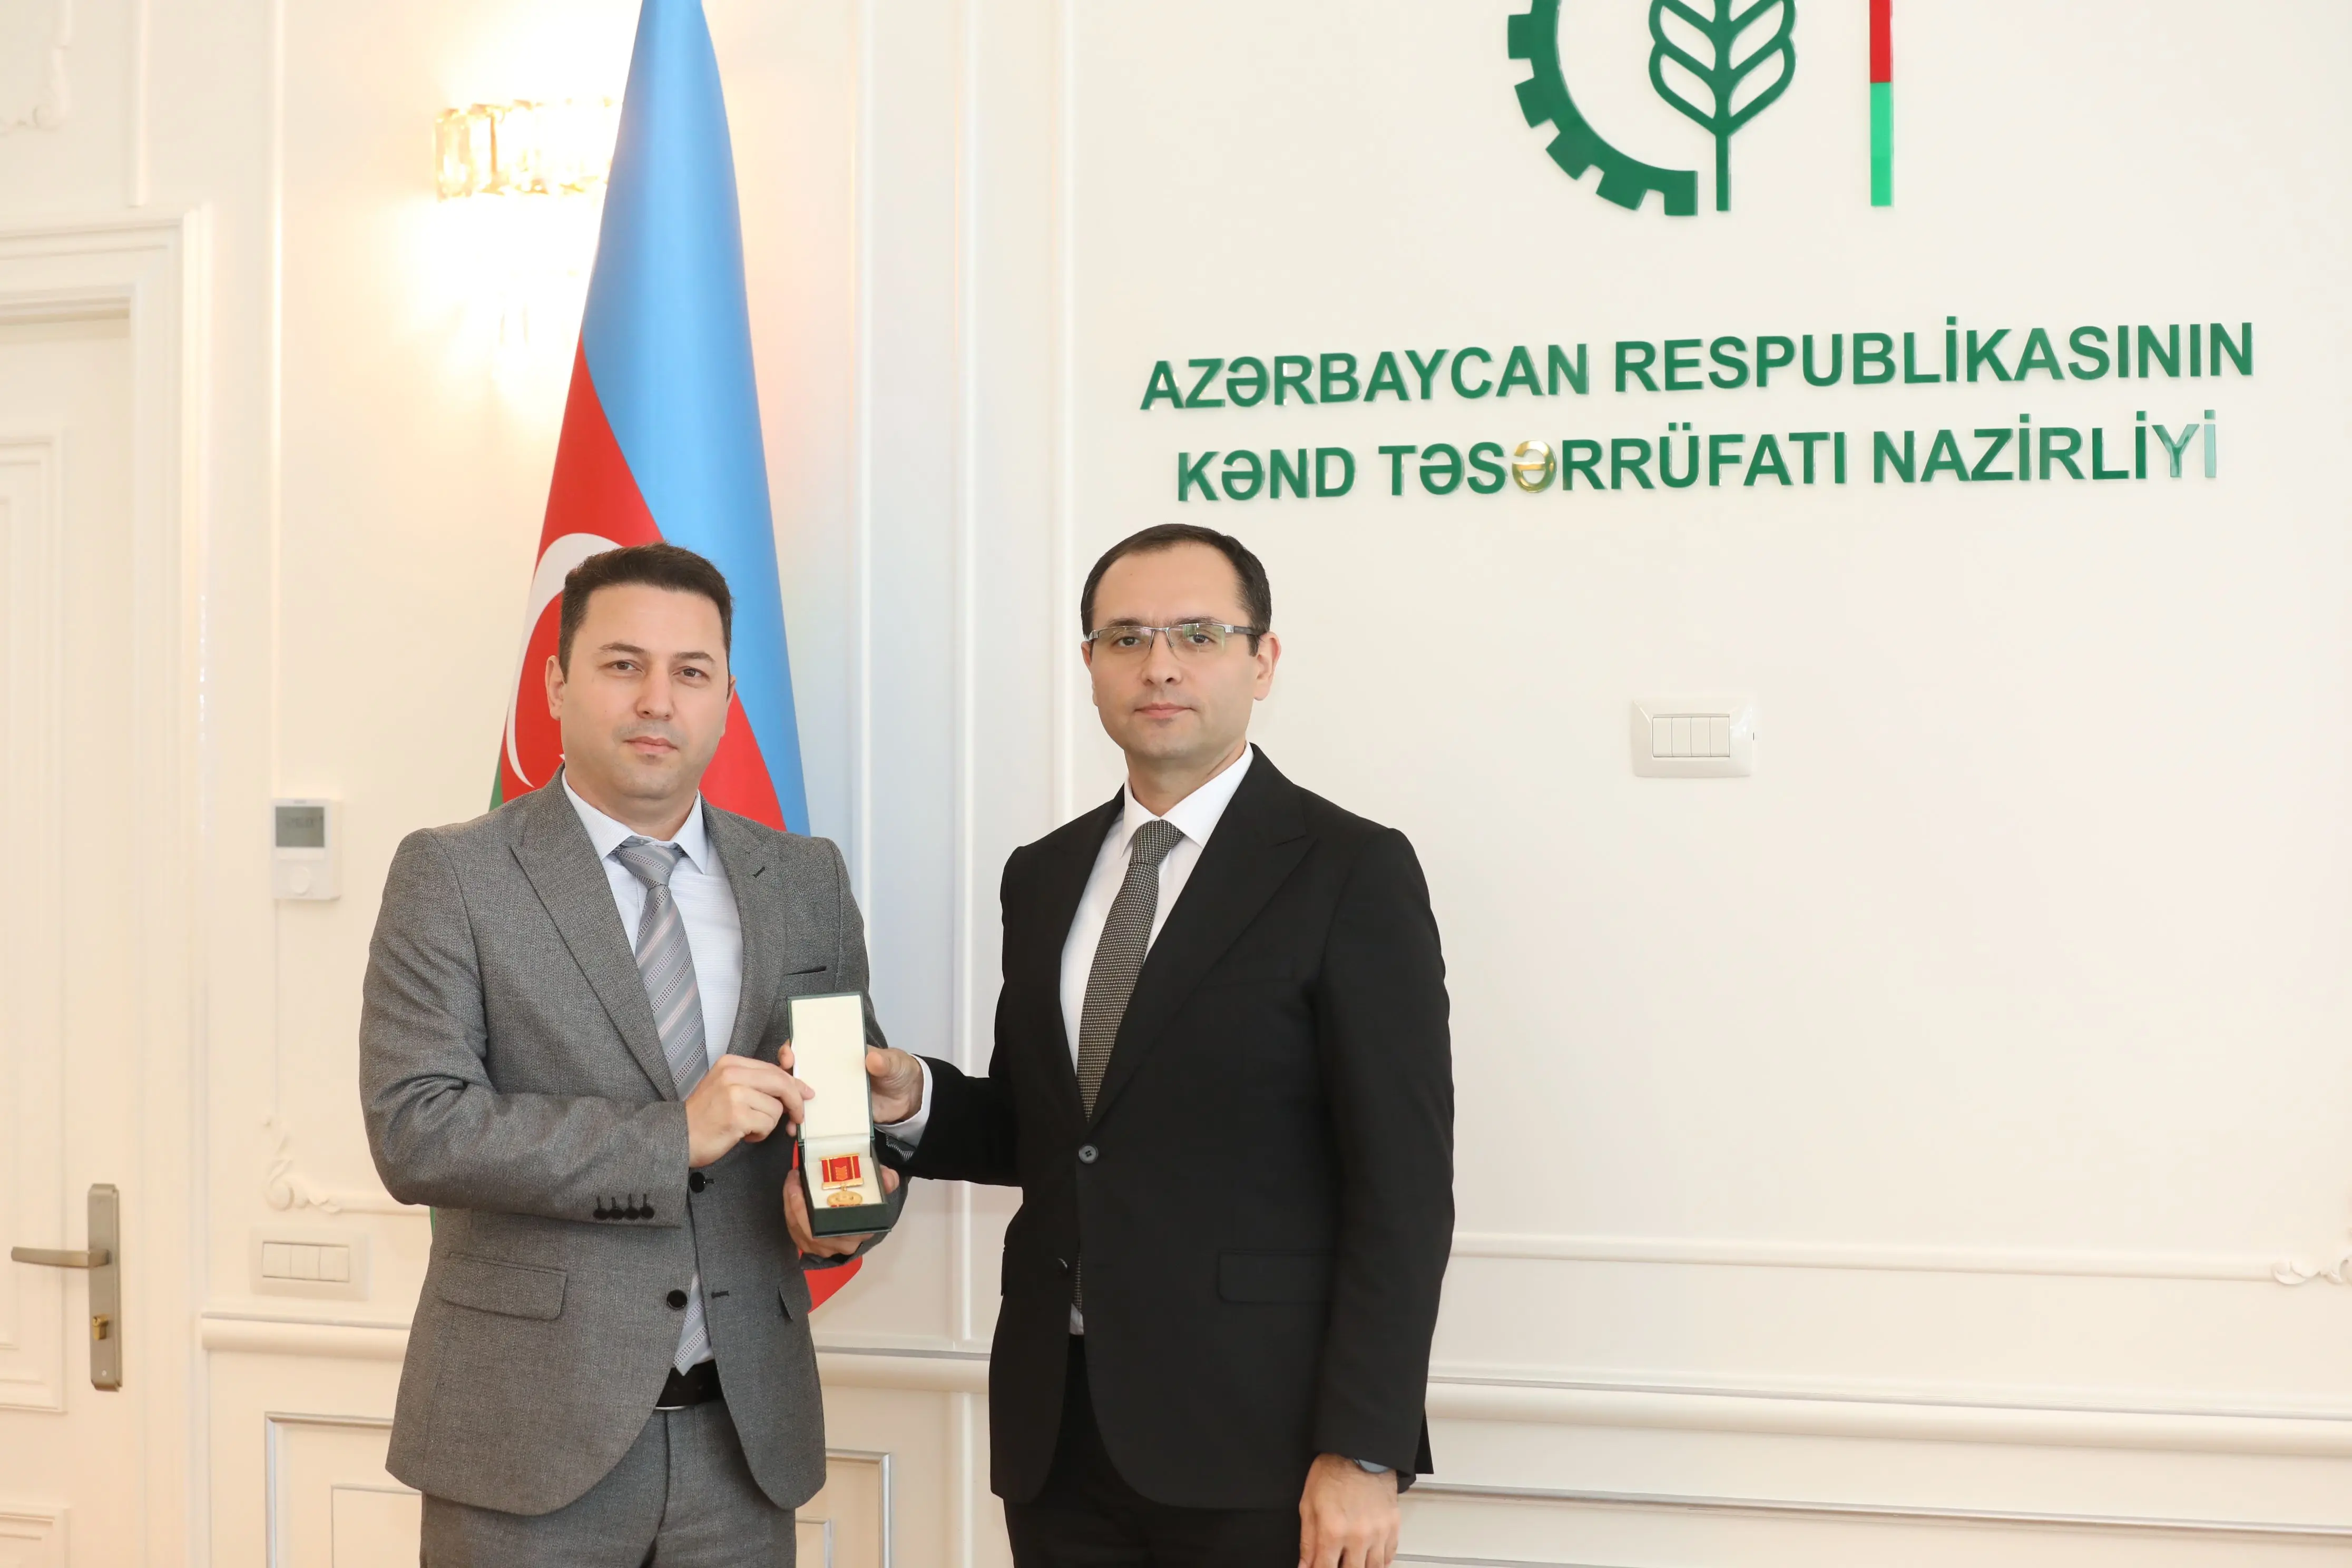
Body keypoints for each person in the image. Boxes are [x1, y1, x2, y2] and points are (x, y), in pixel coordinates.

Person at [839, 524, 1454, 1568]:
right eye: (1126, 638)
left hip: (1262, 1443)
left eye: (1198, 635)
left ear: (1263, 660)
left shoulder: (1351, 870)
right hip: (1058, 1435)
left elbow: (1403, 1188)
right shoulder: (1044, 874)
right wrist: (919, 1101)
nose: (1159, 665)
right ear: (1089, 664)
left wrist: (1365, 1448)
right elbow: (1059, 1133)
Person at [361, 542, 898, 1566]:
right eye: (623, 665)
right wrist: (669, 1139)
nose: (658, 699)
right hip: (525, 1444)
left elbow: (848, 1101)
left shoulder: (805, 880)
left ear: (727, 700)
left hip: (745, 1440)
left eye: (691, 672)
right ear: (556, 684)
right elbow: (416, 1128)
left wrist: (848, 1209)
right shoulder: (456, 874)